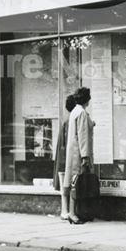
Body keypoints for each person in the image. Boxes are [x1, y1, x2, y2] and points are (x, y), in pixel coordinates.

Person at [64, 86, 94, 224]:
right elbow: (82, 136)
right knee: (77, 183)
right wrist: (85, 157)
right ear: (86, 99)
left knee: (74, 183)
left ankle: (75, 212)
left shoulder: (75, 111)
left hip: (73, 152)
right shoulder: (81, 112)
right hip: (79, 153)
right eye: (89, 97)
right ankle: (73, 213)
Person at [53, 94, 77, 221]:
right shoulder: (70, 121)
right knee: (66, 187)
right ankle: (64, 211)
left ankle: (65, 210)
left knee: (65, 186)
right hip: (66, 158)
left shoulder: (67, 120)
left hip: (63, 158)